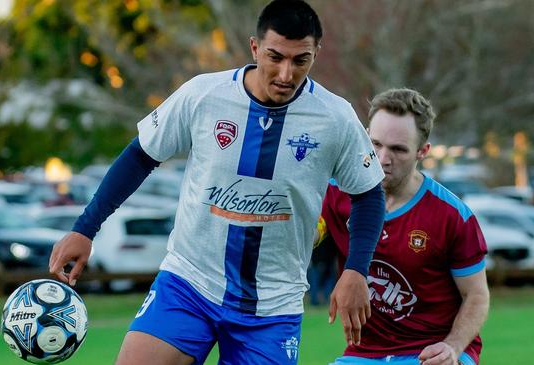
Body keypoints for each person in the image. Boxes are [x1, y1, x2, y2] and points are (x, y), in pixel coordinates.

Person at [48, 1, 386, 364]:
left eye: (300, 60)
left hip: (272, 307)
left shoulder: (335, 117)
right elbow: (140, 156)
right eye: (275, 57)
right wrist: (85, 228)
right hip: (189, 284)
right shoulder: (204, 95)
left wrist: (355, 270)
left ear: (316, 54)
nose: (286, 74)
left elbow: (368, 194)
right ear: (255, 47)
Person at [322, 88, 490, 365]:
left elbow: (476, 295)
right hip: (365, 354)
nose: (383, 158)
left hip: (432, 352)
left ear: (422, 151)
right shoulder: (336, 194)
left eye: (398, 149)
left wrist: (452, 347)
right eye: (375, 144)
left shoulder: (452, 215)